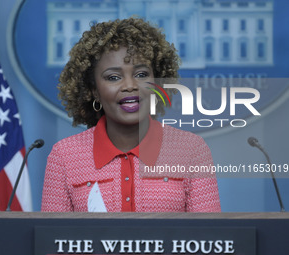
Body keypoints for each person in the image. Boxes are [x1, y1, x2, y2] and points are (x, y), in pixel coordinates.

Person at [41, 18, 221, 212]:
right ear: (93, 90)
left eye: (142, 74)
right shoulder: (64, 156)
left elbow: (209, 239)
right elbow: (52, 240)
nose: (130, 86)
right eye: (113, 77)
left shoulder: (191, 150)